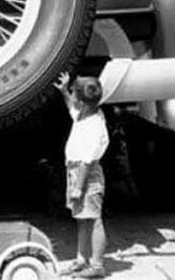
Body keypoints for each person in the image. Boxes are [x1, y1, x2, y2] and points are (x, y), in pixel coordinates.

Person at [55, 71, 109, 278]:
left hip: (87, 175)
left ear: (84, 103)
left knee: (94, 219)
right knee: (81, 218)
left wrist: (78, 187)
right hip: (76, 172)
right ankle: (81, 260)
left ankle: (97, 265)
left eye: (75, 95)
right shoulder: (85, 114)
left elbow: (88, 160)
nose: (73, 100)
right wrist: (65, 91)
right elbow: (72, 108)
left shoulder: (94, 125)